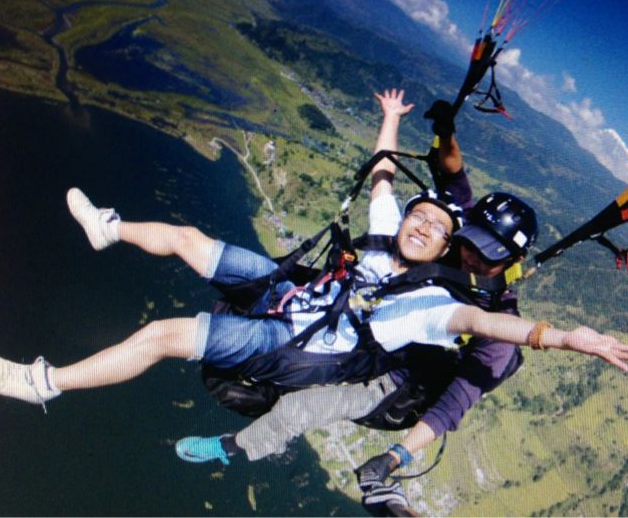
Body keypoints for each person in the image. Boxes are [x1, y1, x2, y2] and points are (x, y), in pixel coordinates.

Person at [0, 91, 628, 448]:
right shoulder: (389, 234)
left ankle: (45, 382)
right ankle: (109, 229)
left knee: (164, 335)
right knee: (188, 238)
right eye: (420, 218)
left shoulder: (430, 307)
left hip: (291, 340)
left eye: (436, 230)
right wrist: (390, 119)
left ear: (447, 249)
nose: (421, 226)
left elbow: (486, 323)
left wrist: (566, 338)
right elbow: (383, 176)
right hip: (290, 292)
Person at [173, 101, 540, 475]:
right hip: (368, 315)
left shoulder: (498, 325)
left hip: (395, 376)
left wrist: (396, 457)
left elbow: (454, 403)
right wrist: (445, 131)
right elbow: (451, 173)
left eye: (487, 254)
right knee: (278, 283)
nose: (471, 256)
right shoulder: (460, 228)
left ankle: (231, 446)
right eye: (470, 242)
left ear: (513, 261)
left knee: (299, 409)